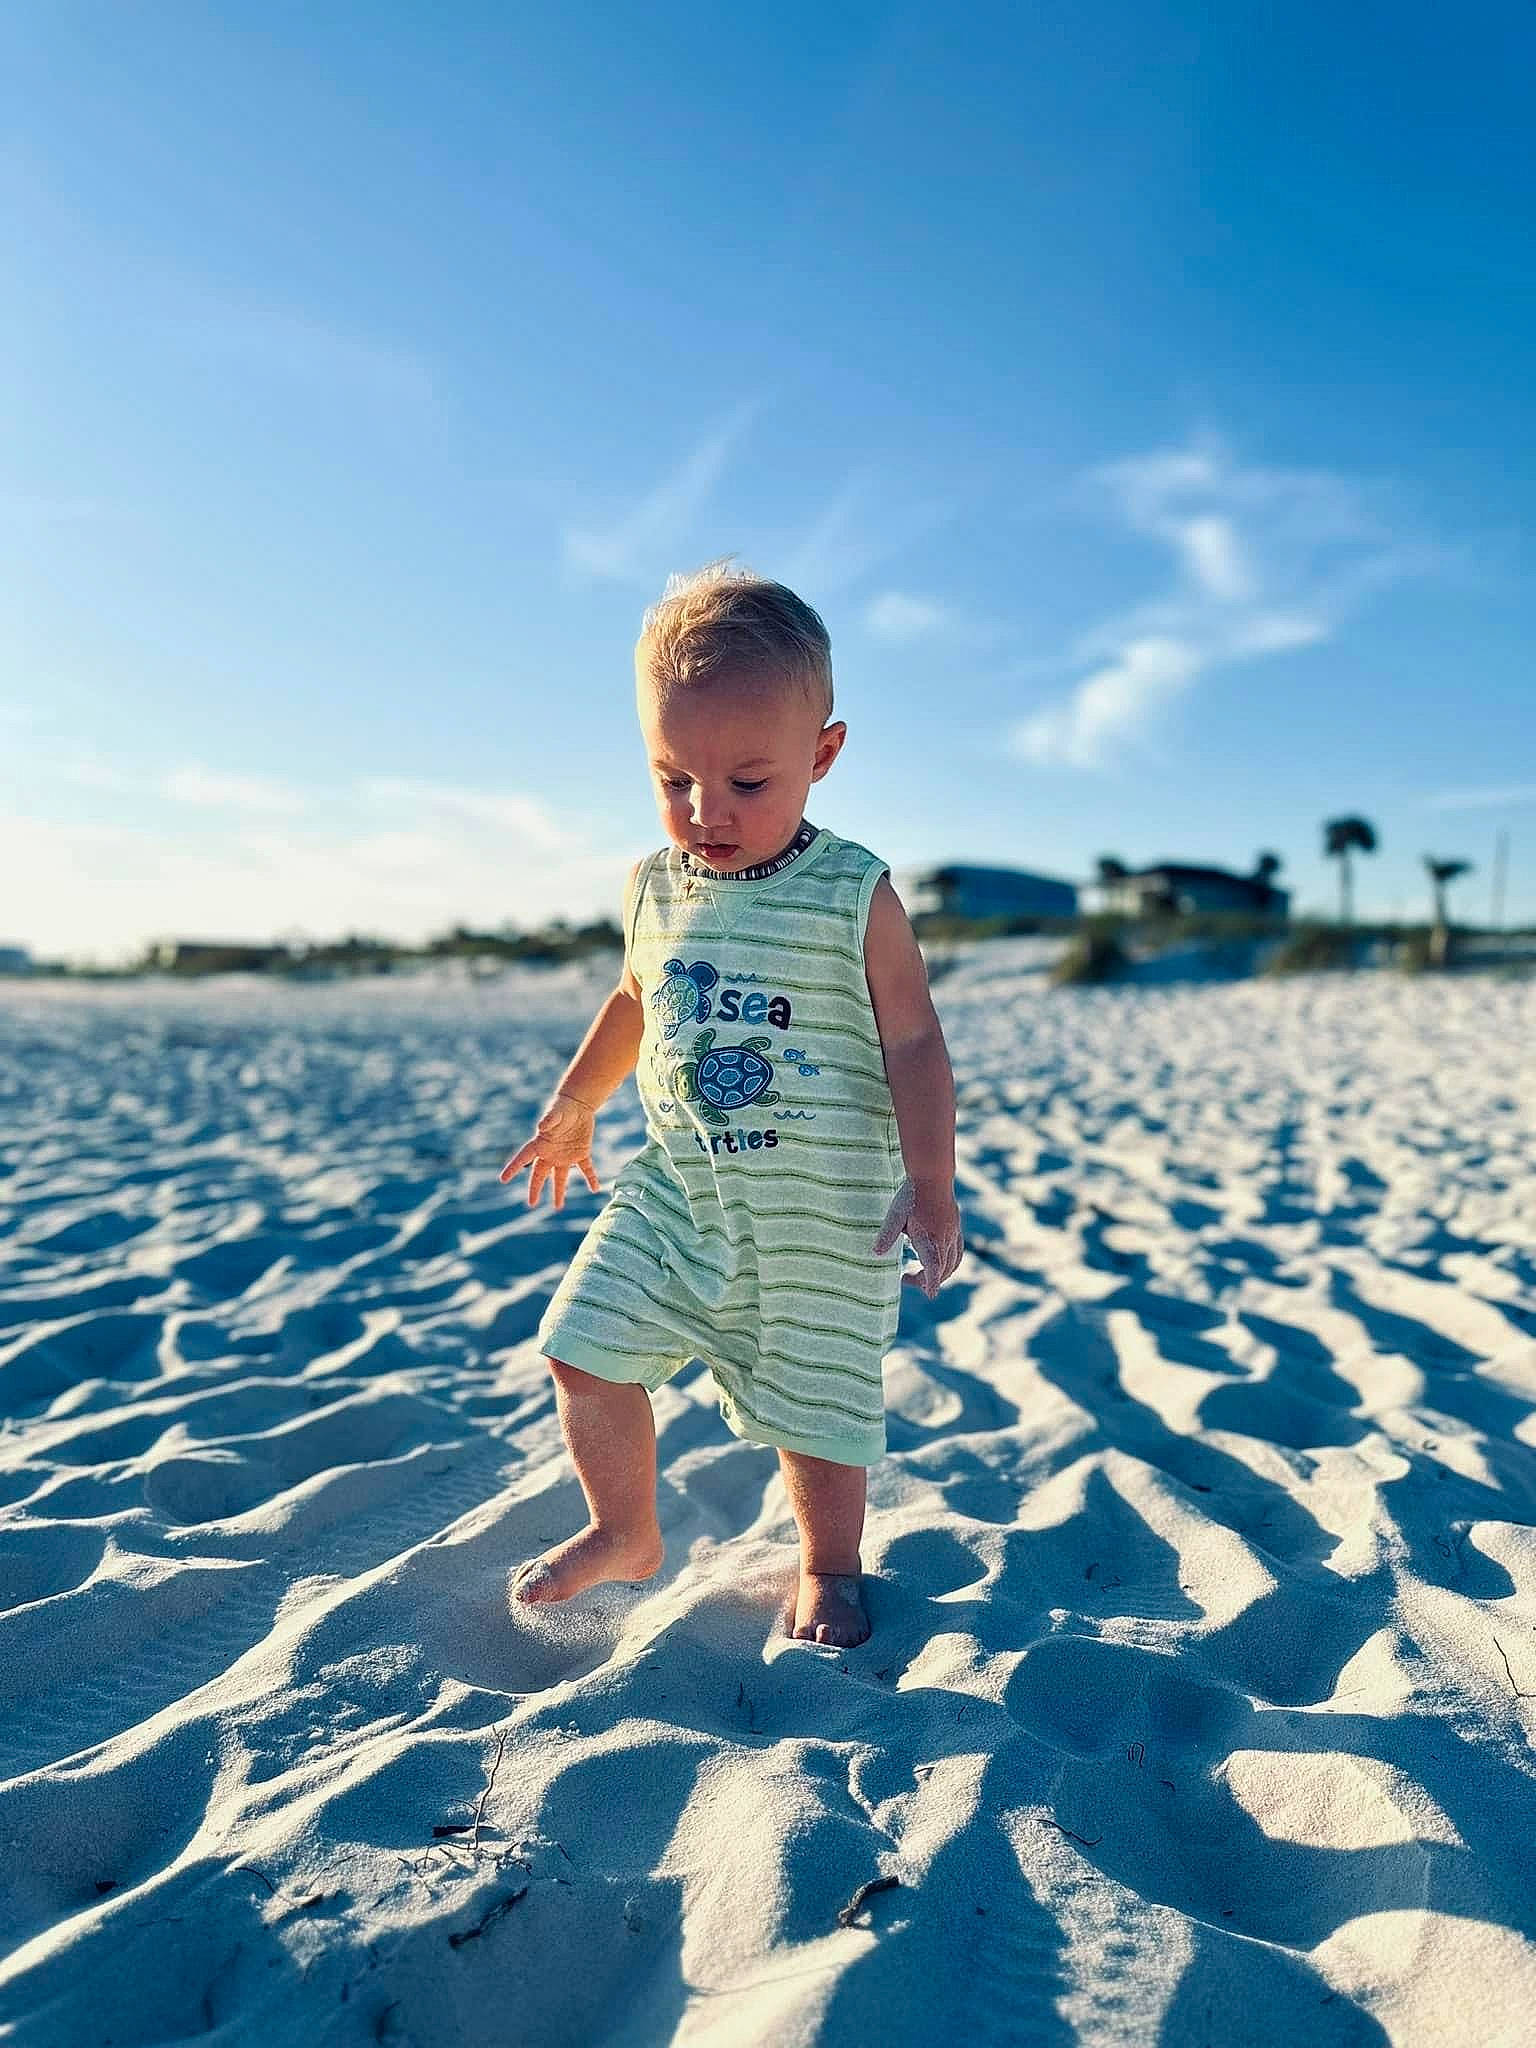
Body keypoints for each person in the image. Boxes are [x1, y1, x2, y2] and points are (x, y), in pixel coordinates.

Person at [500, 561, 962, 1647]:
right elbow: (634, 995)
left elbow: (915, 1036)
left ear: (823, 754)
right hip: (679, 1190)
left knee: (819, 1406)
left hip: (820, 1210)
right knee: (580, 1346)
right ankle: (626, 1527)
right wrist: (576, 1104)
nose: (707, 812)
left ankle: (831, 1564)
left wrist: (931, 1182)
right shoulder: (654, 884)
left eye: (749, 782)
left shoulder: (854, 890)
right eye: (674, 778)